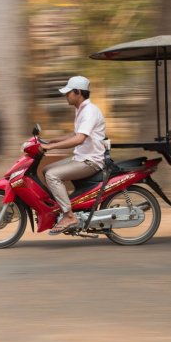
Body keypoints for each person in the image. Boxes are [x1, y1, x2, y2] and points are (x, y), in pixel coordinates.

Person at [41, 76, 106, 235]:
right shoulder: (81, 109)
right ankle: (63, 203)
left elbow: (79, 139)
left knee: (52, 175)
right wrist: (52, 140)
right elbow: (77, 133)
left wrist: (52, 147)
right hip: (80, 157)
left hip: (90, 161)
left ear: (78, 92)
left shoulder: (90, 111)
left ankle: (68, 215)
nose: (66, 96)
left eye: (68, 93)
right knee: (46, 169)